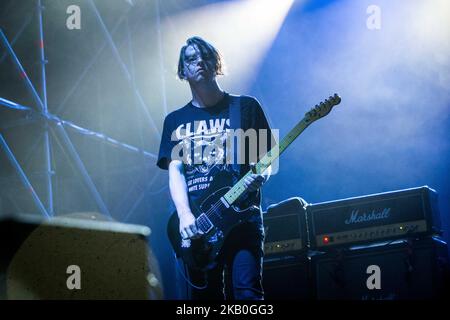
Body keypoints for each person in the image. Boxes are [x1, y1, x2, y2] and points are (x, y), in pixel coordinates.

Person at [157, 36, 275, 300]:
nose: (199, 62)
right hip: (200, 225)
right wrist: (186, 216)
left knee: (248, 295)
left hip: (243, 218)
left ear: (215, 62)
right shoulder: (175, 120)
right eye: (191, 59)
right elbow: (175, 171)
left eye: (205, 56)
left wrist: (261, 176)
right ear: (183, 71)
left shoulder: (244, 107)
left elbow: (267, 158)